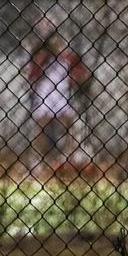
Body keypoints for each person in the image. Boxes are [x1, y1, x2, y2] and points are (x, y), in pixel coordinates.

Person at [24, 28, 90, 177]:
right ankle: (36, 162)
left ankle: (68, 158)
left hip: (62, 97)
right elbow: (31, 74)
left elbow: (80, 75)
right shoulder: (42, 57)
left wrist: (76, 79)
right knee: (39, 130)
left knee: (72, 127)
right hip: (45, 96)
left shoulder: (67, 58)